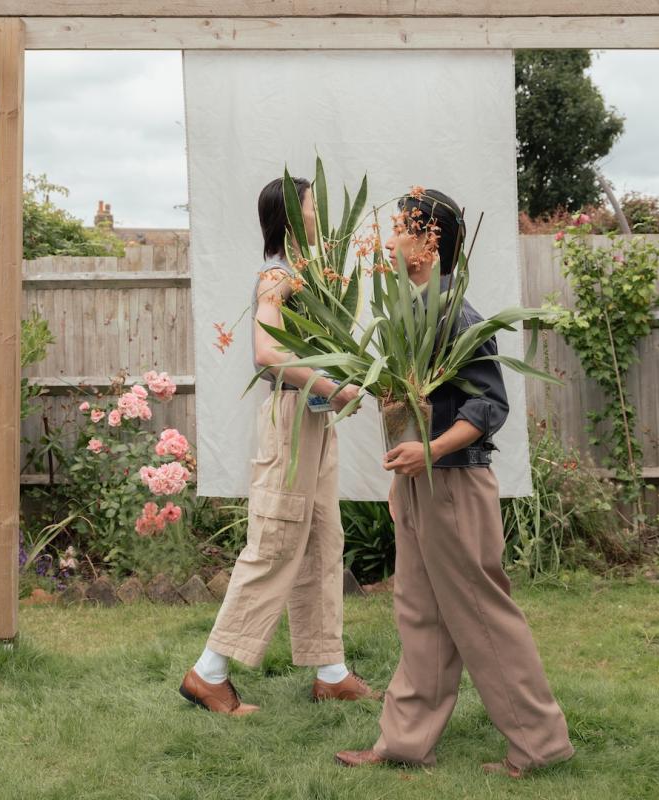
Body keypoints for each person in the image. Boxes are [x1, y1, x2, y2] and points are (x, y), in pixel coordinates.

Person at [335, 189, 575, 776]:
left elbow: (489, 406)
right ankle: (405, 743)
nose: (389, 241)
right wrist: (402, 481)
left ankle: (539, 743)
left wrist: (431, 452)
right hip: (421, 487)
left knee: (482, 614)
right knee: (419, 613)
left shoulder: (456, 318)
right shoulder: (409, 314)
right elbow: (408, 407)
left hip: (457, 487)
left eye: (399, 230)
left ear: (427, 243)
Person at [180, 176, 380, 715]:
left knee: (321, 540)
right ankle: (208, 672)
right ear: (293, 214)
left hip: (313, 423)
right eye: (313, 202)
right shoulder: (277, 277)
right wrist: (332, 386)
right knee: (275, 540)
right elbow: (267, 352)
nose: (321, 210)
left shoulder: (307, 276)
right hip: (293, 419)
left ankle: (330, 669)